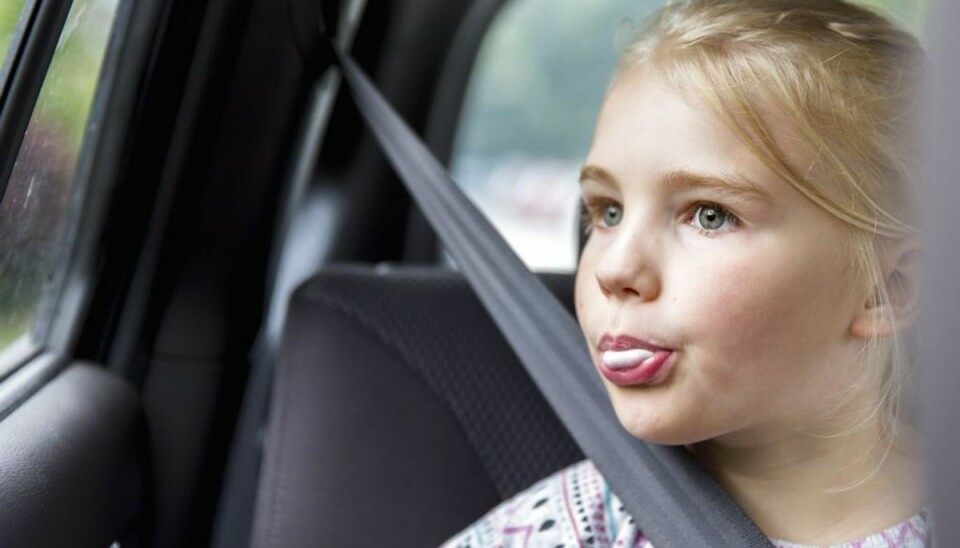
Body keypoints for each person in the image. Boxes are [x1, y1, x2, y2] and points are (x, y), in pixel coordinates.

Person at [442, 0, 927, 546]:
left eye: (709, 215)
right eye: (607, 211)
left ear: (888, 289)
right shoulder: (550, 533)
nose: (614, 268)